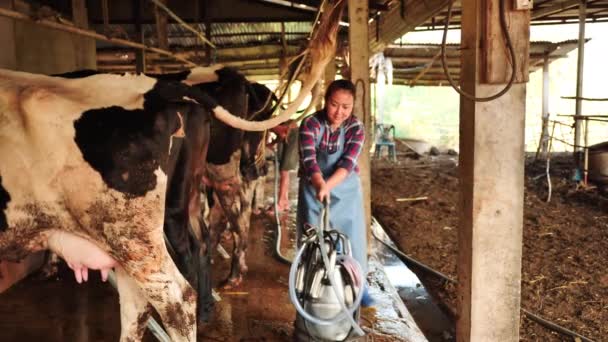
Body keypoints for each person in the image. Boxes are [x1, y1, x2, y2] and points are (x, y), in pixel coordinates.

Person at [296, 79, 372, 305]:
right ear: (325, 101)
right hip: (313, 188)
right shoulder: (310, 124)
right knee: (313, 238)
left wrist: (328, 186)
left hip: (345, 188)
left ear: (352, 107)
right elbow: (309, 161)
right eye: (334, 104)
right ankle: (311, 287)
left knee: (351, 237)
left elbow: (347, 164)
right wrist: (320, 185)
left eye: (346, 107)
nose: (339, 112)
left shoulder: (356, 128)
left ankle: (357, 287)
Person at [266, 120, 299, 215]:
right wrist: (272, 143)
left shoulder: (269, 124)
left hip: (292, 134)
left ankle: (280, 203)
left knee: (284, 170)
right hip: (287, 133)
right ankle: (285, 201)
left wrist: (271, 144)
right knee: (283, 170)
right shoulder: (272, 124)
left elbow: (283, 134)